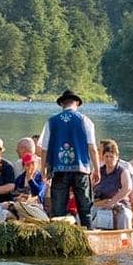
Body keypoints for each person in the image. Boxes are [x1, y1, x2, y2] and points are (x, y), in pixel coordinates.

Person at [38, 89, 100, 228]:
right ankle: (88, 235)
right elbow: (92, 147)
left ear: (62, 104)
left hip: (59, 170)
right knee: (85, 209)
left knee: (58, 210)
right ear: (76, 103)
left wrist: (44, 169)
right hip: (81, 169)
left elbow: (44, 149)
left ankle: (59, 238)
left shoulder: (52, 121)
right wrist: (96, 169)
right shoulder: (85, 120)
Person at [92, 139, 133, 229]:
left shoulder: (122, 171)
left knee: (125, 215)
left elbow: (127, 188)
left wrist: (113, 202)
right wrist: (97, 202)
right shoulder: (99, 171)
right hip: (101, 204)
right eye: (106, 156)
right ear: (103, 157)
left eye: (111, 156)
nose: (109, 159)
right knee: (87, 215)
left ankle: (124, 237)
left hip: (119, 204)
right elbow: (91, 188)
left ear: (117, 157)